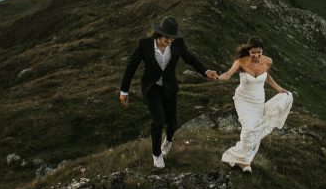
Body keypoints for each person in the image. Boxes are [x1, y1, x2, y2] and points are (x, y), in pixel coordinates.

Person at [120, 17, 218, 168]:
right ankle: (156, 154)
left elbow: (190, 59)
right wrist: (124, 91)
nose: (170, 41)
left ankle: (169, 140)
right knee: (158, 121)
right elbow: (131, 67)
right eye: (167, 38)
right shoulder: (144, 45)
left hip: (169, 87)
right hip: (152, 88)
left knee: (172, 123)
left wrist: (206, 71)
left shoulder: (178, 43)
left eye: (172, 38)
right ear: (158, 34)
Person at [217, 37, 292, 173]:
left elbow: (267, 77)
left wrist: (279, 89)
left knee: (254, 129)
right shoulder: (240, 62)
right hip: (243, 99)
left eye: (259, 52)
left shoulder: (267, 61)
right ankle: (243, 161)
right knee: (248, 127)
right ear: (248, 51)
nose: (257, 56)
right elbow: (228, 74)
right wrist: (218, 77)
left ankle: (245, 161)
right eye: (253, 53)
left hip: (258, 100)